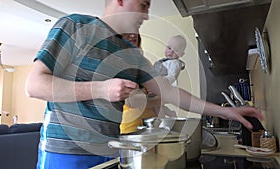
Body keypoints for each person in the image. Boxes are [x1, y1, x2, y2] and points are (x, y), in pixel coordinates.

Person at [25, 0, 263, 168]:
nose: (147, 15)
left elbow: (169, 92)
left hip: (110, 153)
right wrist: (102, 89)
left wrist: (227, 111)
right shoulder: (75, 26)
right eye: (143, 5)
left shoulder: (132, 55)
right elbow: (34, 85)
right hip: (64, 155)